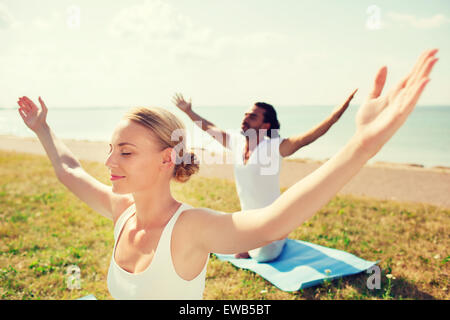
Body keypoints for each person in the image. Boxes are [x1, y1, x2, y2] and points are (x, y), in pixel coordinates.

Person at [16, 49, 438, 300]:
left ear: (168, 160)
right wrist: (43, 129)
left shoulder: (192, 228)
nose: (109, 163)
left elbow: (275, 221)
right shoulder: (120, 210)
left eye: (125, 152)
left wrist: (361, 145)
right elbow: (70, 170)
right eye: (111, 150)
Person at [172, 89, 357, 261]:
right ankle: (245, 241)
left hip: (271, 223)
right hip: (246, 221)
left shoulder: (274, 147)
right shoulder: (236, 142)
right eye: (245, 115)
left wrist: (335, 116)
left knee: (261, 257)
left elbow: (308, 138)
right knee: (209, 230)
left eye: (252, 116)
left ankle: (268, 239)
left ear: (265, 124)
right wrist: (188, 111)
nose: (245, 119)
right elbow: (208, 127)